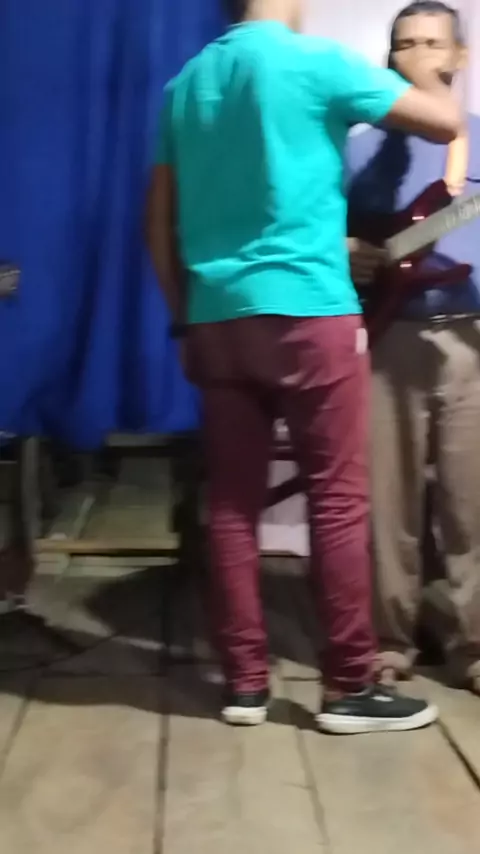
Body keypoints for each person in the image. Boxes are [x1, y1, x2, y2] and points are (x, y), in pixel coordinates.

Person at [146, 0, 461, 734]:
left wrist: (184, 317)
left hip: (217, 315)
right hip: (309, 312)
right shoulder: (316, 62)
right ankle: (348, 687)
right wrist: (426, 69)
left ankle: (245, 685)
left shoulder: (187, 81)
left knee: (231, 507)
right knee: (338, 502)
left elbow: (156, 221)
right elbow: (446, 126)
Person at [347, 1, 480, 696]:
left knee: (472, 504)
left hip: (472, 338)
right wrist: (344, 249)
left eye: (434, 42)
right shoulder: (359, 148)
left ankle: (474, 644)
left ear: (460, 57)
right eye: (406, 44)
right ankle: (387, 644)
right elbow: (311, 232)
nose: (420, 54)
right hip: (389, 338)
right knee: (387, 502)